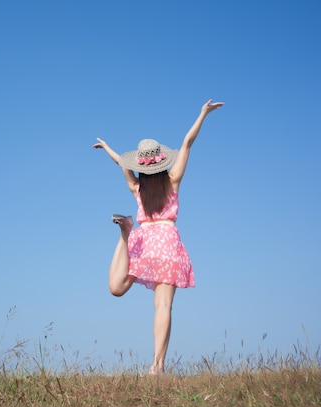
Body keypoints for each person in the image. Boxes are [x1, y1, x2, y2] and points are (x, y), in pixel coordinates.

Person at [93, 99, 224, 375]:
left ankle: (125, 232)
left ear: (141, 165)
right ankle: (158, 366)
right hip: (166, 242)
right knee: (163, 305)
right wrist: (202, 114)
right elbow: (187, 143)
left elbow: (121, 163)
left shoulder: (136, 187)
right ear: (162, 162)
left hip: (142, 241)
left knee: (116, 289)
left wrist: (107, 149)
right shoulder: (173, 179)